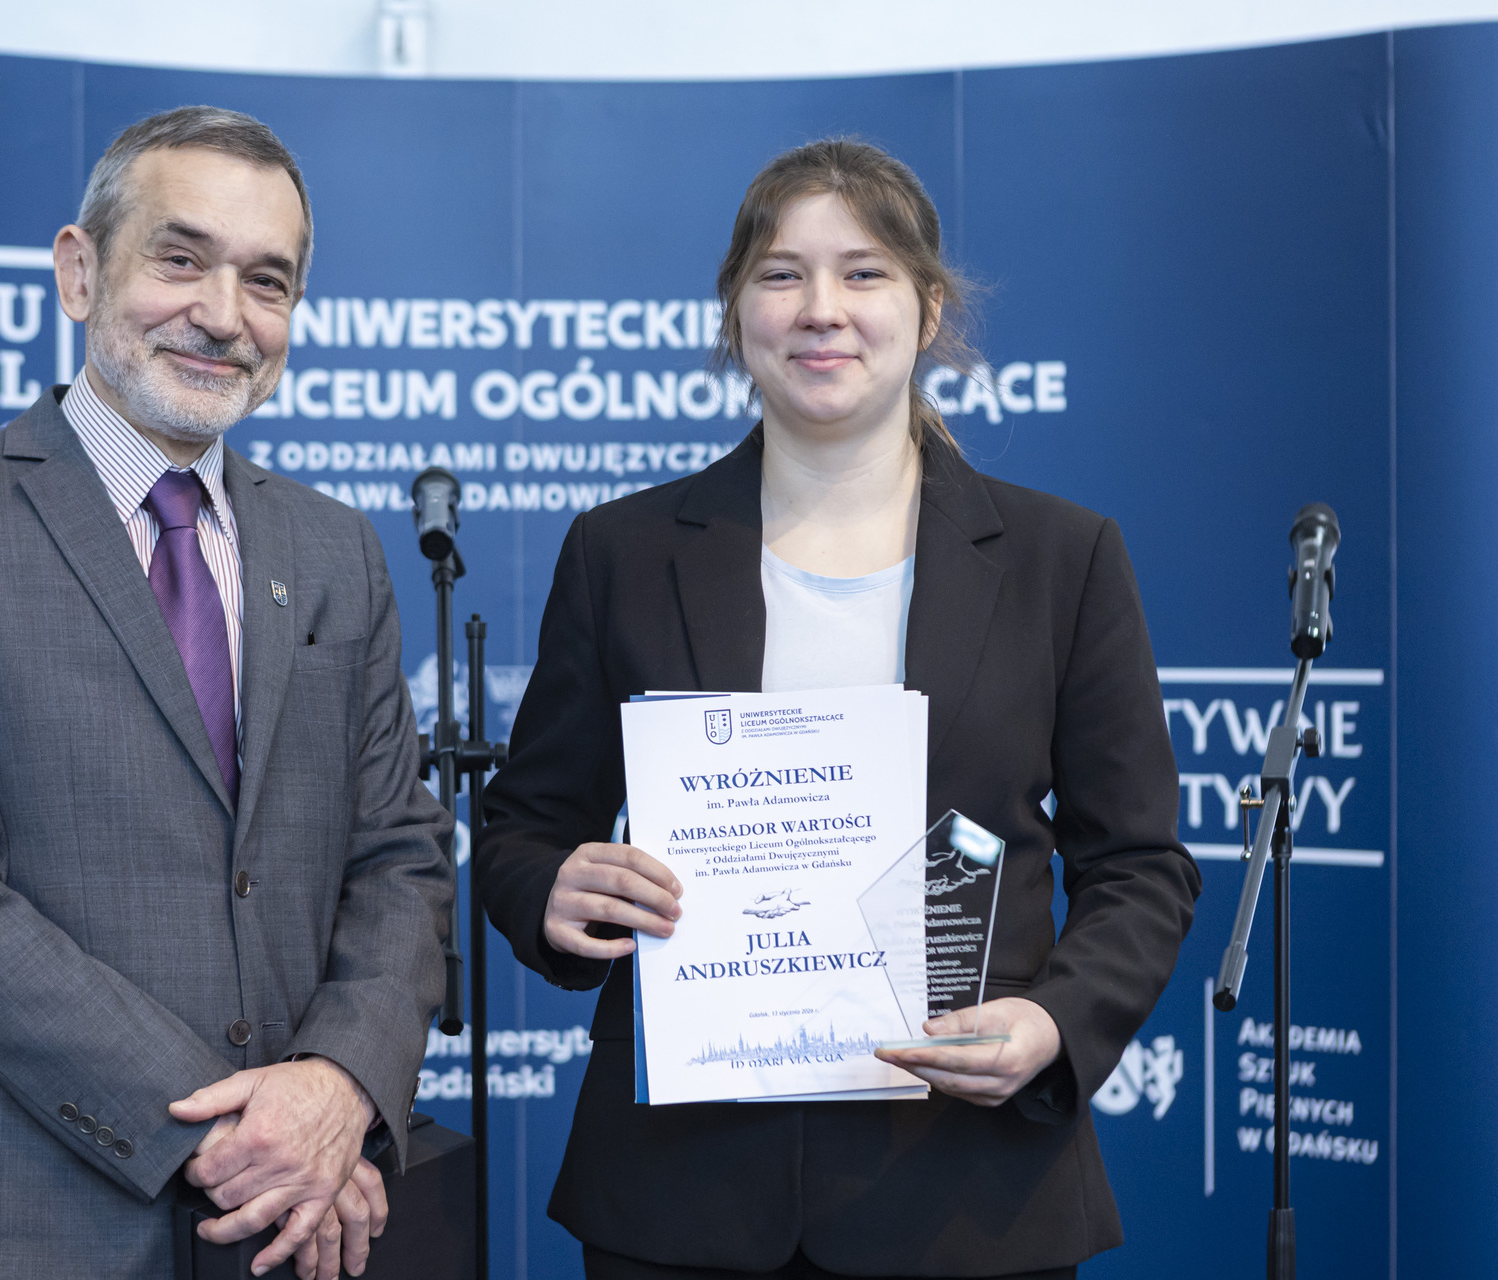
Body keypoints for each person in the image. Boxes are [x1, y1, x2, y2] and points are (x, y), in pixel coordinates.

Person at [477, 138, 1199, 1279]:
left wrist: (1056, 1021)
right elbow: (523, 828)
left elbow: (1141, 865)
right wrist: (555, 888)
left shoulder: (1063, 559)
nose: (822, 308)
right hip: (681, 1196)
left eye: (864, 272)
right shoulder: (621, 552)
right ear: (737, 311)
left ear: (928, 306)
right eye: (782, 274)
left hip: (967, 1192)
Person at [0, 106, 453, 1280]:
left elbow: (400, 857)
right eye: (181, 258)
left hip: (304, 1219)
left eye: (267, 280)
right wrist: (229, 1131)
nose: (223, 313)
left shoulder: (335, 550)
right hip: (34, 1218)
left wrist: (336, 1084)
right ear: (79, 271)